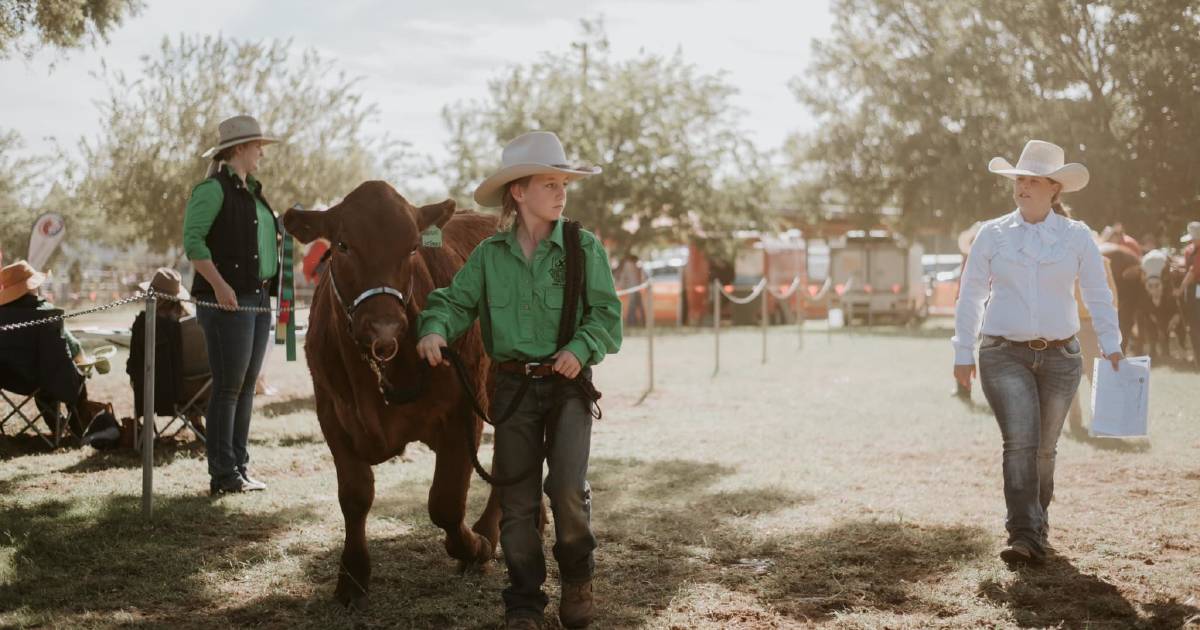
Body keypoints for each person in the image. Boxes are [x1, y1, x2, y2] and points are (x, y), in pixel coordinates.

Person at [415, 131, 622, 630]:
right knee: (519, 501)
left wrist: (578, 348)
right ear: (518, 192)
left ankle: (577, 576)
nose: (561, 191)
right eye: (549, 182)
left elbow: (607, 318)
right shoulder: (488, 256)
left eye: (563, 182)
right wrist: (434, 331)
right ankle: (525, 602)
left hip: (569, 388)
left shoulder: (582, 246)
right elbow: (451, 302)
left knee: (567, 488)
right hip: (511, 390)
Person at [952, 140, 1122, 566]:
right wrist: (962, 351)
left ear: (1054, 189)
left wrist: (1112, 342)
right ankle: (1023, 533)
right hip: (1002, 353)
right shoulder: (991, 234)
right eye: (1019, 180)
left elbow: (1098, 293)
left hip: (1062, 357)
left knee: (1045, 450)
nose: (1023, 187)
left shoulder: (1077, 236)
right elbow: (970, 293)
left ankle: (1036, 525)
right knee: (1021, 443)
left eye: (1032, 180)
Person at [183, 115, 281, 495]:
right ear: (240, 148)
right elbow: (194, 242)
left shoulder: (252, 192)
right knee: (228, 388)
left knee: (244, 388)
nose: (261, 153)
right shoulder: (212, 190)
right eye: (258, 146)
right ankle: (223, 474)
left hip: (257, 300)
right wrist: (220, 285)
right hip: (226, 300)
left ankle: (238, 467)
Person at [1179, 221, 1200, 368]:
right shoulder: (1190, 250)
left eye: (1194, 238)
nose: (1192, 241)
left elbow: (1193, 272)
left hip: (1195, 289)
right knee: (1193, 325)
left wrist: (1179, 290)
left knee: (1196, 325)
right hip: (1193, 291)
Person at [615, 253, 646, 327]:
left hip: (634, 288)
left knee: (634, 305)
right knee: (637, 305)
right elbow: (626, 276)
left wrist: (620, 286)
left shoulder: (629, 265)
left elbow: (624, 276)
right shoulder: (632, 265)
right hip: (635, 288)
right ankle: (636, 321)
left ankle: (633, 321)